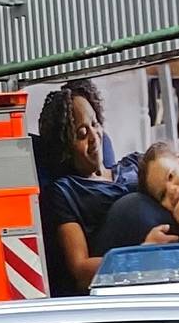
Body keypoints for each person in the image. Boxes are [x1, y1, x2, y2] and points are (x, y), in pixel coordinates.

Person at [36, 80, 130, 296]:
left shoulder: (132, 165)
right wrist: (142, 258)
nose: (94, 136)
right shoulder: (65, 192)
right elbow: (80, 270)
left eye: (95, 124)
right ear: (65, 148)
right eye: (81, 133)